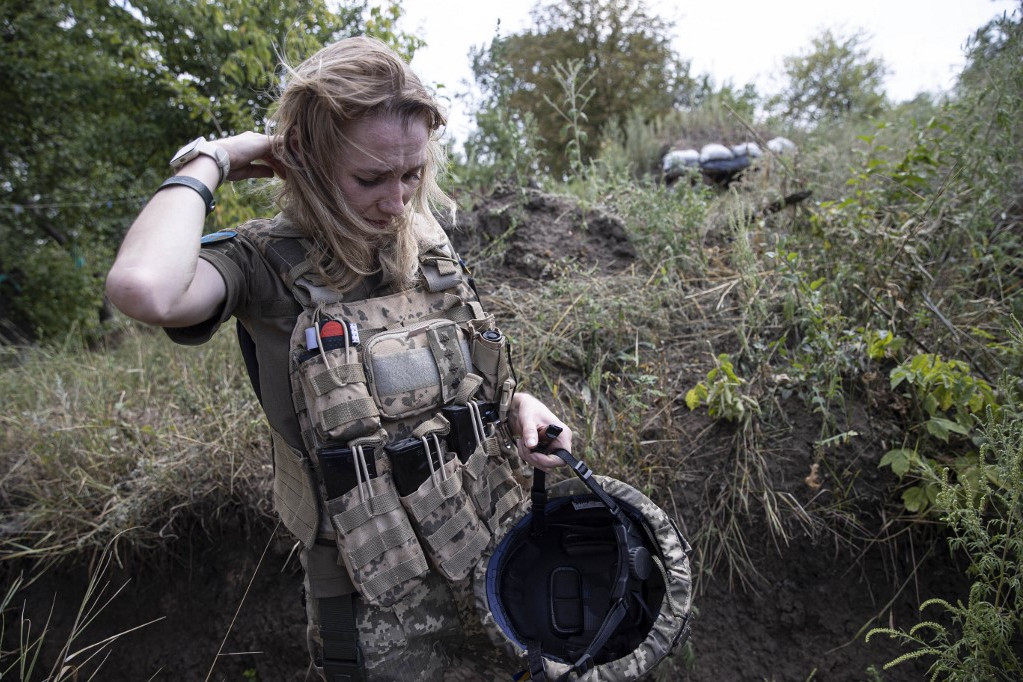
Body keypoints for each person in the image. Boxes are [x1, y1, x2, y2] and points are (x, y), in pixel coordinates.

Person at [105, 35, 573, 680]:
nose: (398, 200)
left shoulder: (428, 242)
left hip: (489, 539)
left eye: (412, 174)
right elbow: (144, 289)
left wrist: (521, 406)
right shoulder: (258, 263)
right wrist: (209, 160)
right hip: (371, 587)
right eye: (370, 177)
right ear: (306, 157)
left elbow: (461, 374)